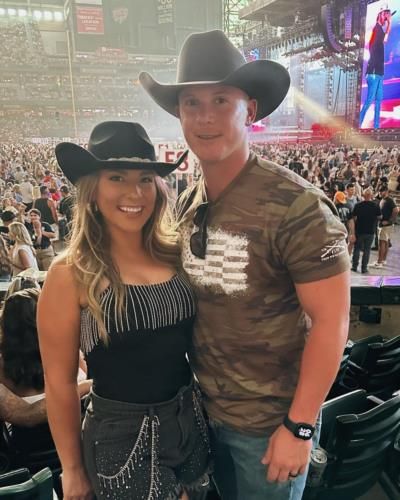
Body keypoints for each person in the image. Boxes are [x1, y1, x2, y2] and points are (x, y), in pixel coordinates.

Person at [140, 29, 350, 500]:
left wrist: (298, 426)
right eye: (191, 103)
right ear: (179, 114)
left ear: (249, 110)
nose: (205, 116)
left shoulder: (297, 205)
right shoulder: (188, 202)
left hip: (269, 427)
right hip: (201, 417)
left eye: (221, 100)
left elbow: (332, 321)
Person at [37, 121, 210, 500]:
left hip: (191, 417)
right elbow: (60, 383)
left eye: (146, 179)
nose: (135, 192)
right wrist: (72, 470)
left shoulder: (175, 254)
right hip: (122, 436)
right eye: (117, 177)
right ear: (92, 191)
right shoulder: (69, 274)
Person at [359, 8, 393, 129]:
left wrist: (388, 22)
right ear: (380, 15)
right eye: (385, 14)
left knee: (378, 100)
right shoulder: (376, 29)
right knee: (370, 100)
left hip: (379, 72)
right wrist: (388, 22)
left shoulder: (379, 31)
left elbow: (385, 37)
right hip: (373, 73)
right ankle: (359, 123)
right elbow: (384, 38)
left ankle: (376, 128)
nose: (386, 16)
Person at [351, 188, 382, 273]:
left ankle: (354, 266)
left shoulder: (358, 205)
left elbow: (354, 218)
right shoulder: (375, 205)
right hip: (370, 231)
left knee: (357, 249)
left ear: (363, 196)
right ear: (371, 196)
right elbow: (379, 217)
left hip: (359, 230)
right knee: (367, 250)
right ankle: (364, 268)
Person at [373, 184, 399, 267]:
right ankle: (383, 260)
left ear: (386, 191)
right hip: (384, 225)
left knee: (382, 243)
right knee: (386, 242)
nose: (380, 192)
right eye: (380, 191)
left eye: (382, 191)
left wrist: (389, 221)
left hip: (385, 226)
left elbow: (396, 210)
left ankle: (379, 262)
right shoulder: (383, 199)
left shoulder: (389, 200)